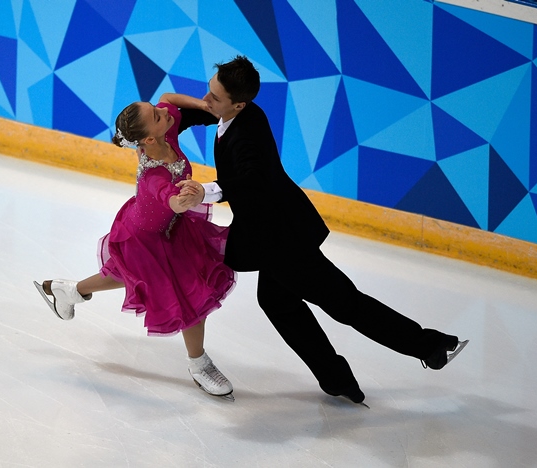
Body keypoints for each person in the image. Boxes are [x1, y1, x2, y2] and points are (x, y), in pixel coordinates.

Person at [171, 55, 468, 406]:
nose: (206, 99)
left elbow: (251, 181)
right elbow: (187, 107)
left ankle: (431, 346)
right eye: (209, 90)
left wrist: (206, 191)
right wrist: (168, 118)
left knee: (344, 303)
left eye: (214, 97)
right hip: (275, 234)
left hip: (284, 238)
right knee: (278, 302)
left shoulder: (247, 133)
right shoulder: (237, 111)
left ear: (239, 104)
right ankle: (336, 378)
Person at [34, 95, 237, 400]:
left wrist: (204, 106)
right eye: (157, 115)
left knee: (126, 275)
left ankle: (70, 291)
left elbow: (168, 98)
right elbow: (173, 202)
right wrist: (190, 197)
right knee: (190, 298)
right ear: (149, 139)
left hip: (166, 228)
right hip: (146, 237)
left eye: (155, 110)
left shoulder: (165, 129)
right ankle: (199, 365)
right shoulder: (155, 175)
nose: (164, 112)